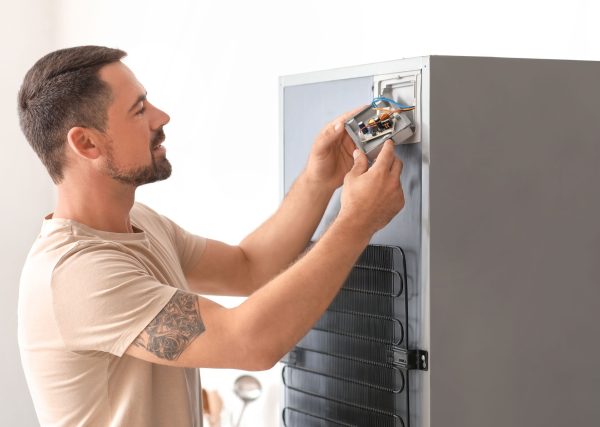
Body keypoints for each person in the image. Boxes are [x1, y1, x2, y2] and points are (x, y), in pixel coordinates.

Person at [17, 45, 404, 427]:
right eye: (139, 109)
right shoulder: (75, 275)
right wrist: (357, 223)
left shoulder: (138, 222)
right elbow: (249, 344)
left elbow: (248, 268)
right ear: (87, 143)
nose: (161, 116)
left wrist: (318, 181)